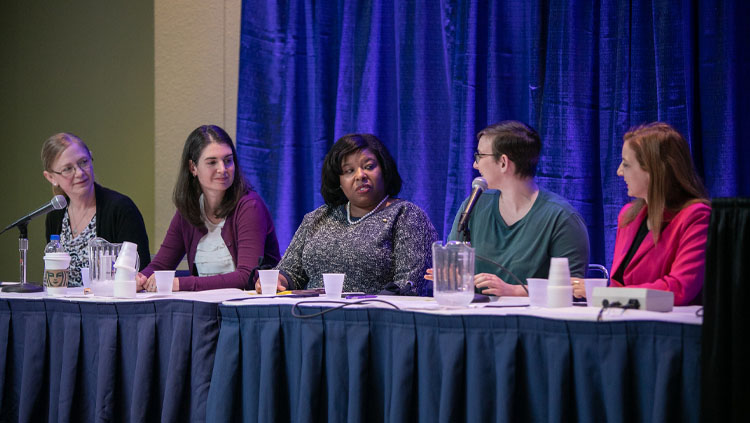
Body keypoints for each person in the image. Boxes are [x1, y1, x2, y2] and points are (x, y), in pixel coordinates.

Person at [258, 133, 437, 295]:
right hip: (310, 318)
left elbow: (409, 285)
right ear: (339, 182)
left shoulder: (405, 215)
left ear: (384, 170)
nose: (360, 175)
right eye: (349, 171)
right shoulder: (317, 218)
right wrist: (278, 280)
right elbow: (290, 271)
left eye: (369, 166)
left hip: (375, 321)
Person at [432, 120, 590, 297]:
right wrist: (450, 274)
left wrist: (513, 290)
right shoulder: (474, 205)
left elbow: (572, 290)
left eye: (479, 156)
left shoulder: (561, 218)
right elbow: (454, 263)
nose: (475, 165)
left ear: (503, 163)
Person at [573, 122, 710, 306]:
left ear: (654, 171)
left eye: (627, 164)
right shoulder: (628, 216)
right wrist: (604, 293)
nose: (619, 172)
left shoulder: (697, 216)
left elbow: (679, 288)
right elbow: (619, 285)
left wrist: (604, 294)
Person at [137, 125, 280, 291]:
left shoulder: (250, 207)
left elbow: (247, 276)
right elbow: (161, 265)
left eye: (228, 160)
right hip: (204, 310)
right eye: (212, 162)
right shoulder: (189, 210)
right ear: (193, 168)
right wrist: (140, 278)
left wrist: (180, 284)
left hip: (246, 312)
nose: (222, 169)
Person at [43, 133, 151, 286]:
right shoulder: (55, 214)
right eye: (68, 169)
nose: (80, 173)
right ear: (51, 177)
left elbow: (141, 272)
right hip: (64, 307)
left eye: (84, 162)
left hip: (110, 306)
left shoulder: (121, 209)